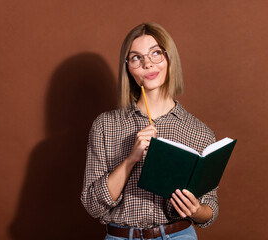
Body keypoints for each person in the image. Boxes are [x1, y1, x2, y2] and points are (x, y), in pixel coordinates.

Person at [81, 22, 219, 240]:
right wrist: (131, 159)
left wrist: (196, 210)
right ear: (128, 67)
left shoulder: (199, 132)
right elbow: (92, 205)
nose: (147, 64)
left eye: (156, 53)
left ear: (169, 58)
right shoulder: (105, 126)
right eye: (136, 57)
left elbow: (209, 207)